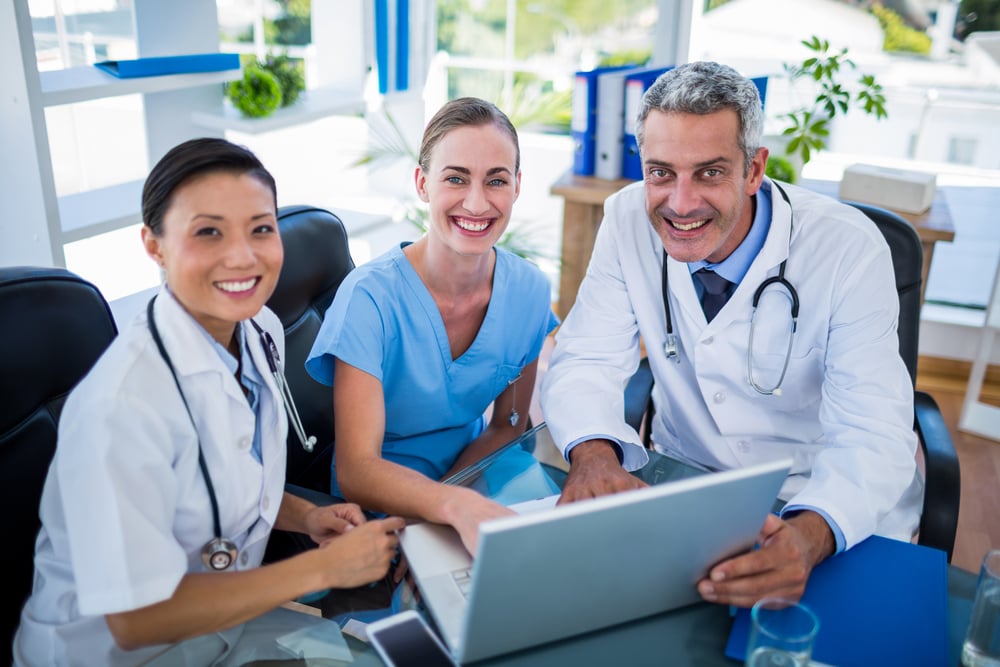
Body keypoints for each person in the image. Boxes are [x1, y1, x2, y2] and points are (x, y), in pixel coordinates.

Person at [540, 61, 923, 608]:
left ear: (753, 169)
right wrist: (594, 452)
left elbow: (874, 435)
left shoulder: (848, 250)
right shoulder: (627, 218)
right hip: (684, 483)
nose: (681, 202)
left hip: (818, 495)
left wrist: (810, 537)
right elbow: (585, 358)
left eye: (710, 173)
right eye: (661, 172)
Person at [13, 138, 405, 666]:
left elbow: (229, 480)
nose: (242, 255)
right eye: (208, 232)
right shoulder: (118, 406)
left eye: (261, 229)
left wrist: (308, 518)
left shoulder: (258, 328)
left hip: (224, 624)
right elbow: (135, 620)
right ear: (154, 245)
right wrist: (322, 570)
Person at [306, 97, 559, 554]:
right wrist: (440, 512)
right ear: (423, 183)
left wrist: (453, 500)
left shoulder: (529, 291)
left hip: (476, 471)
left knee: (553, 564)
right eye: (455, 178)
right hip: (383, 500)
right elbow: (357, 470)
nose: (477, 202)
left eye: (496, 180)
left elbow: (509, 424)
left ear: (517, 186)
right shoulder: (370, 298)